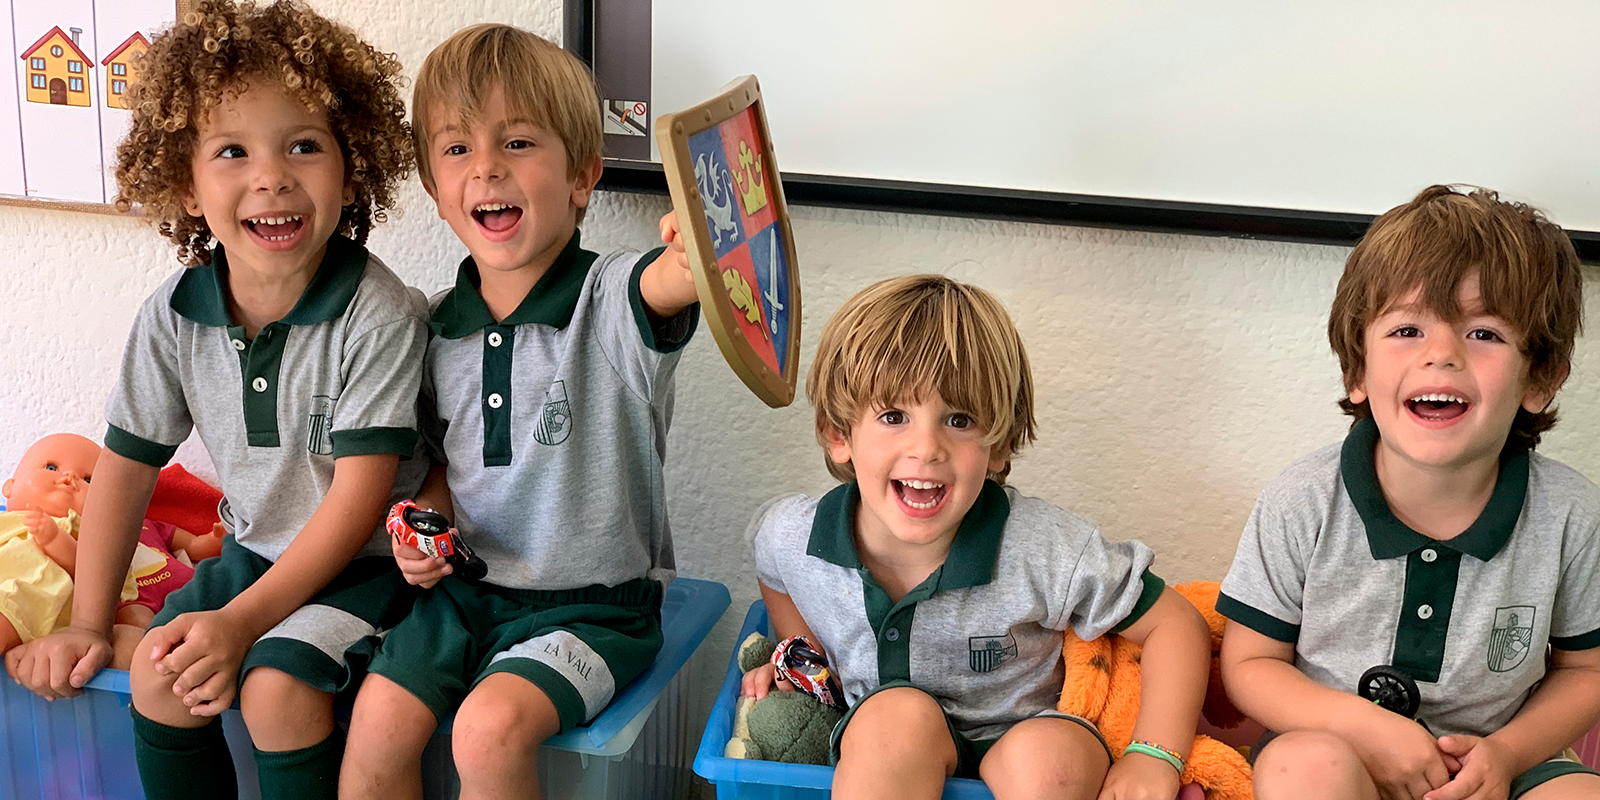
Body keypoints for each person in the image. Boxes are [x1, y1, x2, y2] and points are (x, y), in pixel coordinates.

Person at [4, 2, 428, 798]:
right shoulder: (174, 315)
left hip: (369, 570)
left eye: (304, 145)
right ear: (186, 185)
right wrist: (90, 624)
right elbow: (125, 470)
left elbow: (359, 501)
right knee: (157, 673)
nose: (271, 176)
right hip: (253, 555)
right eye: (232, 151)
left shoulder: (377, 313)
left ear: (350, 170)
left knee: (278, 691)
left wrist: (240, 625)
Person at [337, 24, 699, 800]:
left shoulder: (609, 298)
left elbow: (672, 281)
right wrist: (421, 534)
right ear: (435, 190)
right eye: (457, 148)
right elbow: (444, 469)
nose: (487, 167)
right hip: (465, 597)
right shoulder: (434, 328)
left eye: (519, 142)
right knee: (375, 724)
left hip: (595, 609)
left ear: (583, 176)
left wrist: (693, 249)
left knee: (487, 730)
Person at [741, 274, 1211, 800]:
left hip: (1026, 733)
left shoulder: (1043, 546)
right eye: (894, 416)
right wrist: (802, 660)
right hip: (891, 741)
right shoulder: (796, 534)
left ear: (1000, 446)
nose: (927, 447)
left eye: (959, 419)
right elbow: (772, 565)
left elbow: (1177, 623)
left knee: (1045, 759)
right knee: (890, 722)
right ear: (838, 435)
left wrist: (1155, 755)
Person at [1217, 185, 1600, 800]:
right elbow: (1249, 664)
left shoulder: (1572, 514)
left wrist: (1507, 754)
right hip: (1342, 755)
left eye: (1484, 333)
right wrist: (1360, 728)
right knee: (1301, 767)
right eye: (1407, 329)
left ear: (1539, 379)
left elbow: (1587, 670)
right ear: (1357, 370)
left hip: (1503, 766)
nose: (1441, 355)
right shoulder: (1301, 500)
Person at [0, 433, 146, 666]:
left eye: (88, 480)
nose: (70, 477)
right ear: (10, 485)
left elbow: (93, 573)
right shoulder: (5, 521)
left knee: (10, 607)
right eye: (51, 467)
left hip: (26, 607)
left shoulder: (87, 534)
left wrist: (55, 539)